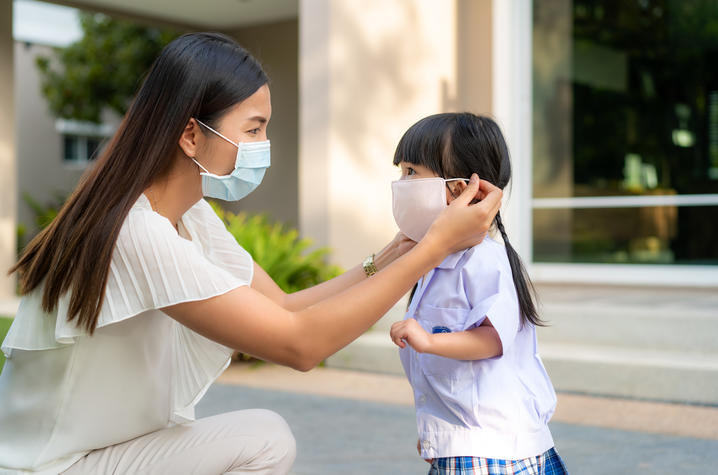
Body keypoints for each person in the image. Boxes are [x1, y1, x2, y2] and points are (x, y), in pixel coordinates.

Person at [0, 33, 502, 475]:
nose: (264, 145)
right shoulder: (135, 231)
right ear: (192, 134)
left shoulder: (188, 216)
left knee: (258, 437)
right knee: (263, 439)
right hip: (58, 466)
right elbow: (298, 346)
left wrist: (392, 255)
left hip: (109, 451)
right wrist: (437, 246)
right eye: (254, 129)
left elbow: (283, 307)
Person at [389, 113, 568, 475]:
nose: (400, 183)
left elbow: (492, 338)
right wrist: (437, 431)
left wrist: (429, 341)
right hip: (467, 445)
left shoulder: (484, 259)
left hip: (496, 454)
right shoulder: (436, 259)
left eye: (412, 173)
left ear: (461, 188)